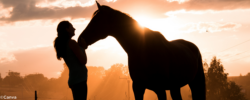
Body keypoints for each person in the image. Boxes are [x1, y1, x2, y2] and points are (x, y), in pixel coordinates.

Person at [53, 21, 88, 100]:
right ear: (67, 29)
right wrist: (83, 48)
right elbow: (83, 61)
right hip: (79, 80)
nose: (74, 29)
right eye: (72, 27)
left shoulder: (65, 44)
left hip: (76, 80)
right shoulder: (72, 43)